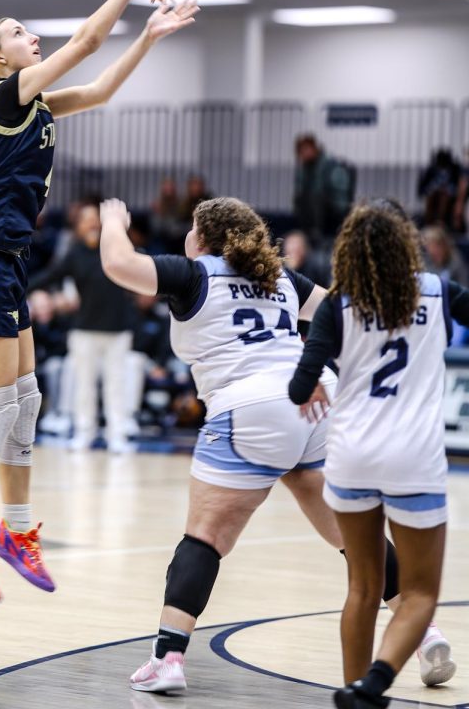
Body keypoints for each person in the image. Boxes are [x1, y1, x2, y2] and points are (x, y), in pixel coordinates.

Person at [0, 0, 198, 605]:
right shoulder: (4, 97)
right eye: (20, 32)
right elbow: (87, 44)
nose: (33, 36)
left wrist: (148, 36)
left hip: (5, 261)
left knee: (27, 399)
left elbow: (96, 89)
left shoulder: (35, 103)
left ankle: (15, 532)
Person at [98, 195, 447, 696]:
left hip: (250, 407)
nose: (186, 239)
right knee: (352, 537)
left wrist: (113, 220)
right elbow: (341, 311)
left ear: (204, 239)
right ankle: (424, 632)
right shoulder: (279, 277)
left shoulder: (195, 273)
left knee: (204, 540)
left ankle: (167, 659)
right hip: (313, 406)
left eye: (191, 230)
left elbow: (117, 262)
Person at [289, 200, 469, 707]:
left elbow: (301, 385)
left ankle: (355, 693)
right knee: (418, 593)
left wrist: (315, 387)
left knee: (363, 589)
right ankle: (375, 683)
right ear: (406, 246)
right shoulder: (437, 291)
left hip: (352, 456)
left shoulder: (337, 305)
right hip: (414, 457)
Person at [30, 202, 139, 452]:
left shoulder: (117, 250)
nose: (91, 223)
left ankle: (116, 435)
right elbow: (48, 276)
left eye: (95, 219)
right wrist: (18, 290)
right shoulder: (74, 254)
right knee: (84, 385)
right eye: (86, 219)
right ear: (78, 227)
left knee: (116, 384)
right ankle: (84, 432)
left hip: (118, 329)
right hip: (84, 330)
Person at [294, 134, 355, 247]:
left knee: (316, 197)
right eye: (301, 151)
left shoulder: (331, 164)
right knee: (300, 198)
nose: (304, 153)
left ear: (314, 148)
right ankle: (307, 235)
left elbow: (340, 195)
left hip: (335, 208)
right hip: (317, 209)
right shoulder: (305, 168)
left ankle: (317, 235)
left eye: (306, 149)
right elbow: (301, 190)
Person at [417, 147, 462, 228]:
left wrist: (447, 190)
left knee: (444, 197)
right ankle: (428, 222)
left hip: (448, 195)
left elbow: (457, 188)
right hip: (433, 193)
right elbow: (423, 188)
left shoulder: (455, 170)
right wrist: (433, 190)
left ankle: (440, 221)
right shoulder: (431, 170)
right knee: (430, 197)